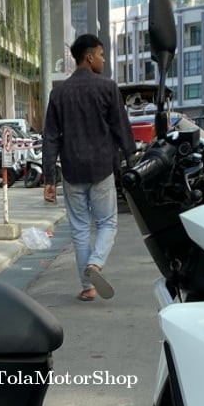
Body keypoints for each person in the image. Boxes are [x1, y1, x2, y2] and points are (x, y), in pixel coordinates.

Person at [42, 34, 136, 302]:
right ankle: (96, 263)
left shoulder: (58, 93)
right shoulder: (107, 87)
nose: (103, 60)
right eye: (102, 55)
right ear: (89, 57)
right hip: (101, 168)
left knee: (80, 228)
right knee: (107, 223)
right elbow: (121, 128)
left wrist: (49, 178)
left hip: (72, 170)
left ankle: (88, 287)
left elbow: (50, 137)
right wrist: (131, 163)